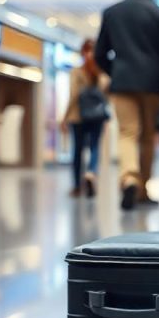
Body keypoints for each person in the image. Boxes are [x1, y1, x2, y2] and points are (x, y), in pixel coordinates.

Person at [95, 0, 159, 210]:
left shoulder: (112, 13)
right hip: (152, 84)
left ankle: (129, 178)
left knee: (127, 133)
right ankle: (142, 189)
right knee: (147, 136)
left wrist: (116, 72)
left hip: (122, 83)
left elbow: (100, 53)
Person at [61, 39, 107, 198]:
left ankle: (76, 186)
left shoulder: (77, 72)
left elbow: (73, 95)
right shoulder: (101, 74)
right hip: (98, 116)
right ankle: (91, 172)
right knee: (94, 146)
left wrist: (64, 117)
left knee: (77, 151)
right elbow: (106, 96)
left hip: (78, 116)